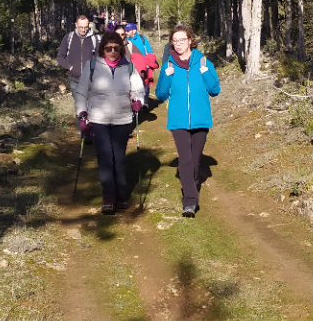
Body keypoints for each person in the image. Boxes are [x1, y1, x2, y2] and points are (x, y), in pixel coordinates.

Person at [74, 31, 146, 213]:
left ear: (121, 48)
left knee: (119, 159)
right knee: (106, 158)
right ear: (102, 49)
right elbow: (81, 92)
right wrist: (82, 114)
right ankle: (109, 197)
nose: (112, 51)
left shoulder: (129, 67)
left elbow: (138, 89)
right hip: (98, 119)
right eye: (108, 48)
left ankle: (121, 194)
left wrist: (138, 101)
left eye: (116, 48)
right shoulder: (91, 66)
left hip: (123, 119)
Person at [154, 23, 220, 218]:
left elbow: (215, 90)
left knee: (196, 160)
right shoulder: (169, 66)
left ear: (190, 40)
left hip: (201, 120)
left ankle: (191, 186)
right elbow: (160, 95)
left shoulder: (204, 63)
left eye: (182, 40)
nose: (179, 44)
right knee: (186, 159)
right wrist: (166, 78)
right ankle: (190, 201)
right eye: (175, 41)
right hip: (178, 121)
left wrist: (205, 73)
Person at [56, 15, 99, 87]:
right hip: (74, 80)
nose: (83, 30)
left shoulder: (94, 39)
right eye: (81, 27)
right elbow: (60, 57)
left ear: (88, 25)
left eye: (85, 27)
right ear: (76, 25)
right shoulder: (69, 37)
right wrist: (69, 67)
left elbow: (100, 58)